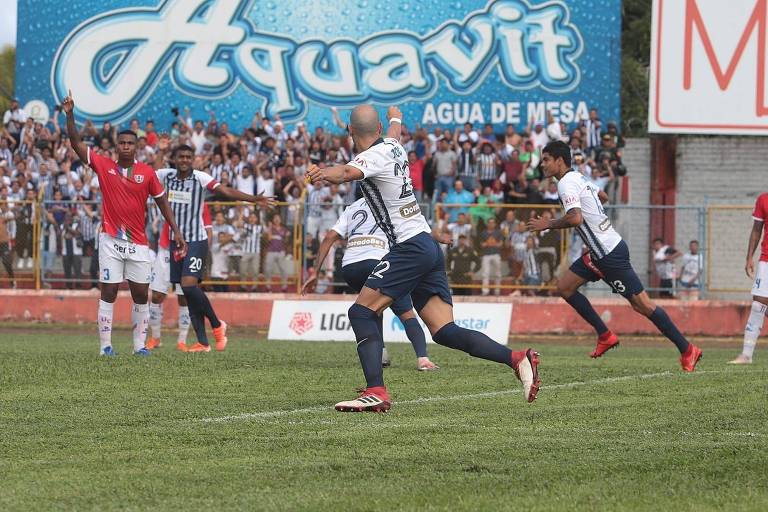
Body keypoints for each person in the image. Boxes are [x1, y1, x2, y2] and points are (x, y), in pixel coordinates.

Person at [306, 104, 540, 412]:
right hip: (427, 247)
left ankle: (376, 390)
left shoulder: (370, 157)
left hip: (408, 249)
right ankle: (516, 358)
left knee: (361, 313)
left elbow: (348, 171)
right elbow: (394, 132)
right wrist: (395, 117)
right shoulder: (392, 145)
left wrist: (323, 173)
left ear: (350, 131)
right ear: (377, 130)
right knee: (444, 331)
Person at [527, 140, 702, 371]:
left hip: (609, 255)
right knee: (565, 287)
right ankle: (605, 335)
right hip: (602, 249)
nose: (543, 164)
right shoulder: (578, 177)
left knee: (643, 306)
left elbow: (576, 218)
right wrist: (595, 229)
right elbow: (603, 197)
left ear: (560, 161)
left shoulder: (566, 184)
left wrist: (547, 223)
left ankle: (687, 349)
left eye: (546, 159)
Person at [63, 90, 187, 357]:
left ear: (137, 147)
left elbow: (163, 203)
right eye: (122, 143)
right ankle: (105, 347)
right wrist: (70, 114)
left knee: (141, 294)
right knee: (109, 291)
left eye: (130, 143)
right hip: (110, 240)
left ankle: (139, 346)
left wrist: (176, 230)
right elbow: (75, 143)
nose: (126, 146)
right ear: (117, 146)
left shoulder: (147, 173)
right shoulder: (104, 166)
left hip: (139, 243)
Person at [154, 139, 275, 352]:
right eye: (180, 157)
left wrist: (253, 199)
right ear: (174, 159)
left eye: (187, 157)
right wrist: (160, 152)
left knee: (189, 286)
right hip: (175, 242)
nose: (184, 160)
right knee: (188, 292)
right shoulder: (167, 176)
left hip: (196, 240)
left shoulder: (200, 178)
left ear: (193, 160)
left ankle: (217, 325)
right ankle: (203, 341)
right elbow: (151, 176)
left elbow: (225, 191)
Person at [302, 197, 439, 371]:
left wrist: (315, 273)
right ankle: (423, 359)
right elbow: (417, 232)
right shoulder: (392, 201)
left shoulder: (352, 207)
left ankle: (380, 354)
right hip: (377, 262)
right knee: (407, 313)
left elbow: (329, 236)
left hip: (350, 268)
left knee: (372, 308)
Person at [146, 204, 212, 352]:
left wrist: (202, 255)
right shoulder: (170, 194)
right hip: (165, 249)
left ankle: (182, 340)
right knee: (157, 295)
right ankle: (155, 338)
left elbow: (208, 231)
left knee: (184, 297)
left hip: (188, 251)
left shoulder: (201, 203)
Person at [730, 193, 768, 364]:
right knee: (758, 304)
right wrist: (749, 257)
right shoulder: (763, 199)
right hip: (766, 259)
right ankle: (746, 355)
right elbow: (756, 230)